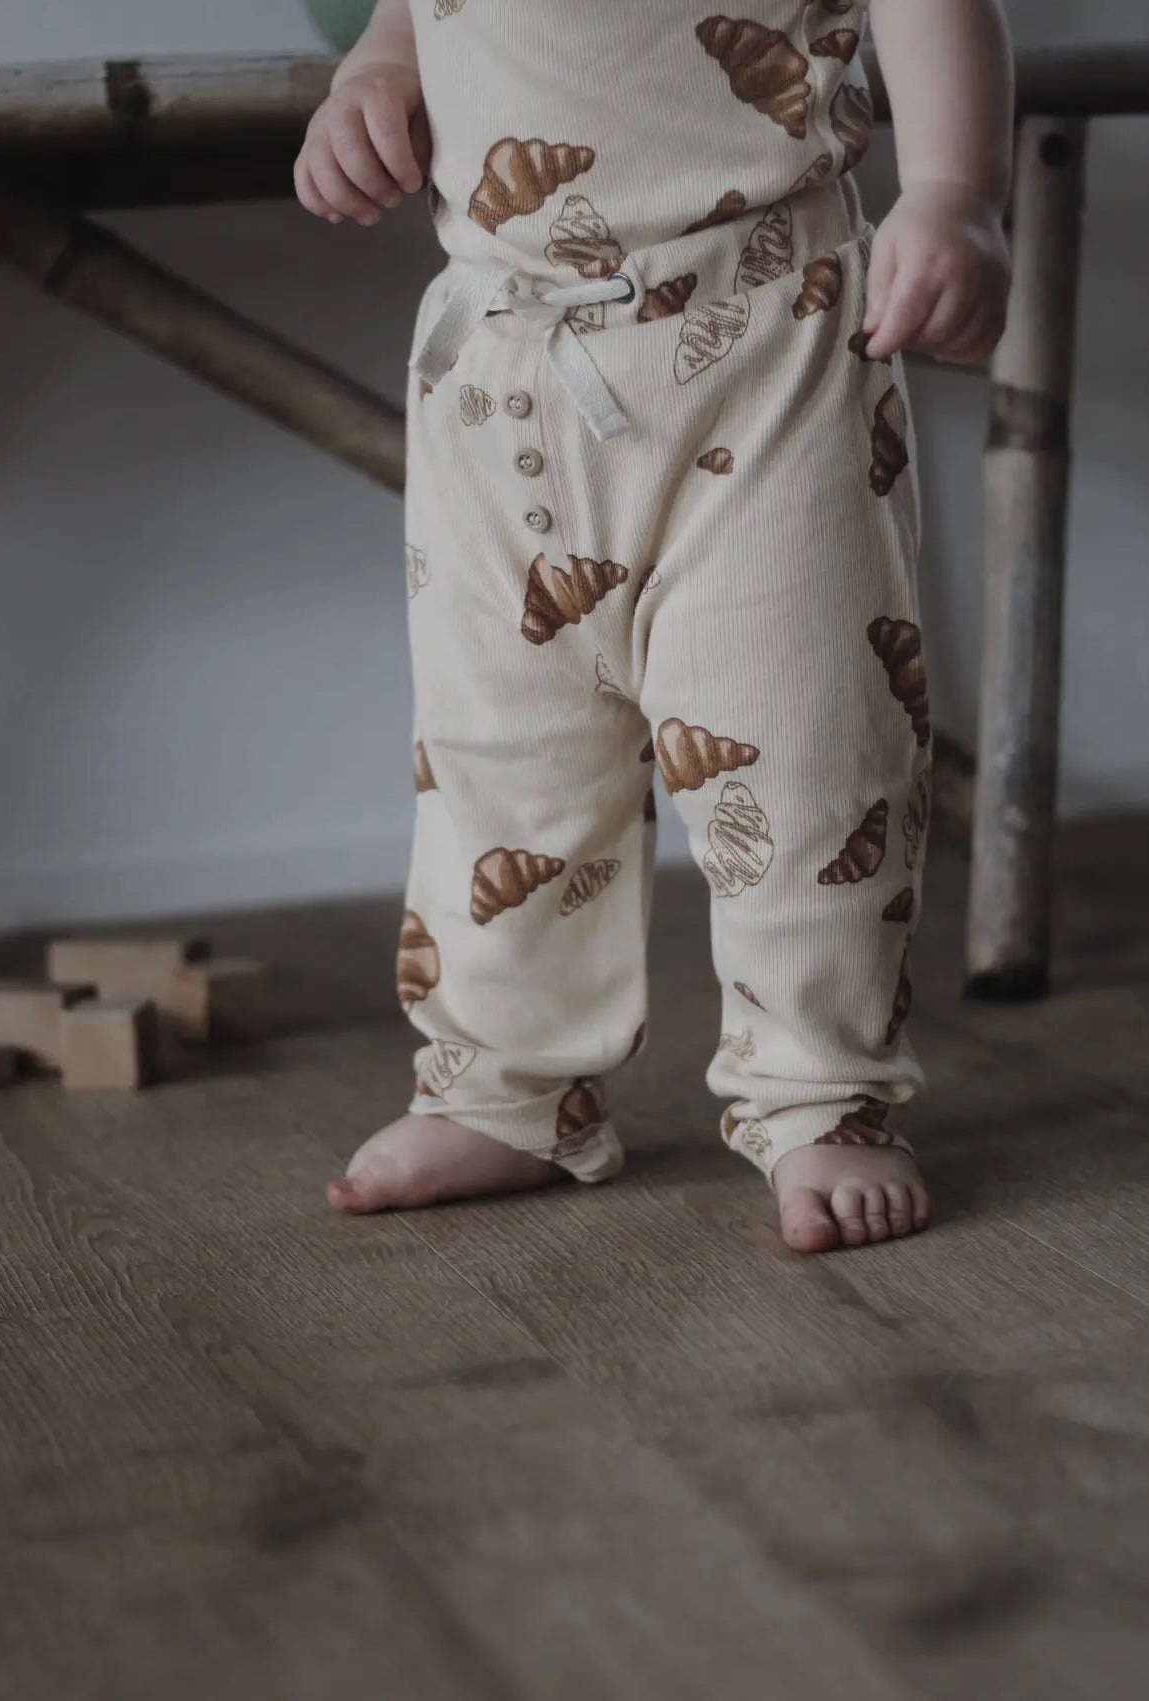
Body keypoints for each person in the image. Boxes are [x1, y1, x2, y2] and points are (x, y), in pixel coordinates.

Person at [295, 0, 1012, 1252]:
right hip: (497, 366)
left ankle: (821, 1090)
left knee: (803, 747)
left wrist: (956, 190)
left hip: (767, 337)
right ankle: (507, 1085)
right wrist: (382, 65)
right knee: (499, 760)